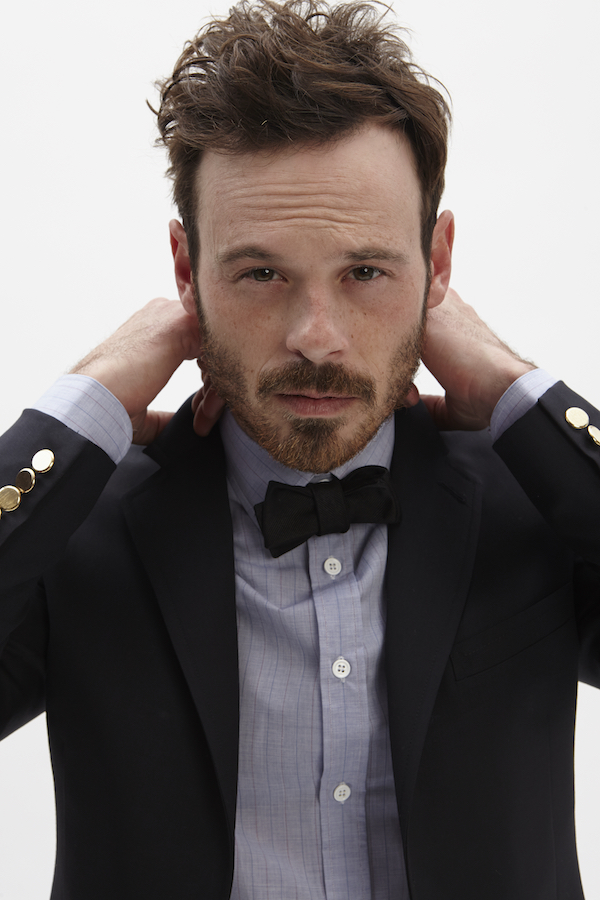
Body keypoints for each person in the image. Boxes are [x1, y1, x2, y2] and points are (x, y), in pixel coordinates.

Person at [0, 0, 598, 897]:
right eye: (261, 273)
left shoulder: (536, 499)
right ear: (186, 270)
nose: (316, 337)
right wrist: (75, 413)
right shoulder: (78, 526)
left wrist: (524, 391)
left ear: (437, 264)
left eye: (366, 272)